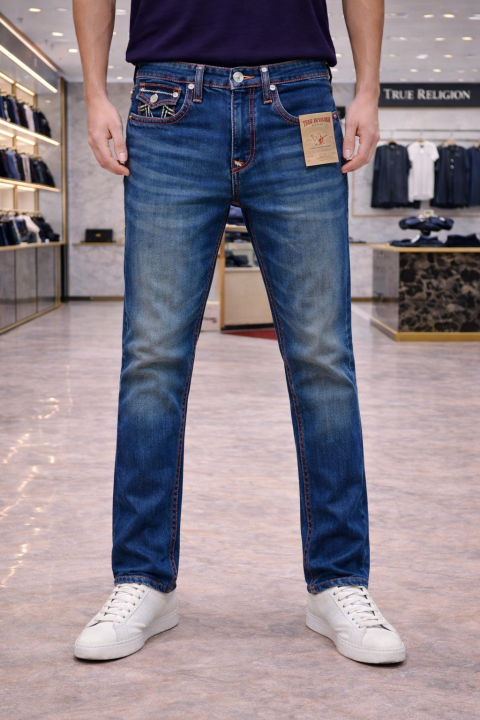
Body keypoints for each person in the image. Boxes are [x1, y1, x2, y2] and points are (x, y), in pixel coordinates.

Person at [72, 0, 406, 664]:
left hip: (300, 99)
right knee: (153, 358)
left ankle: (339, 581)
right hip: (168, 101)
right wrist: (93, 92)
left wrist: (368, 89)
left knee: (322, 356)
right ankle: (142, 578)